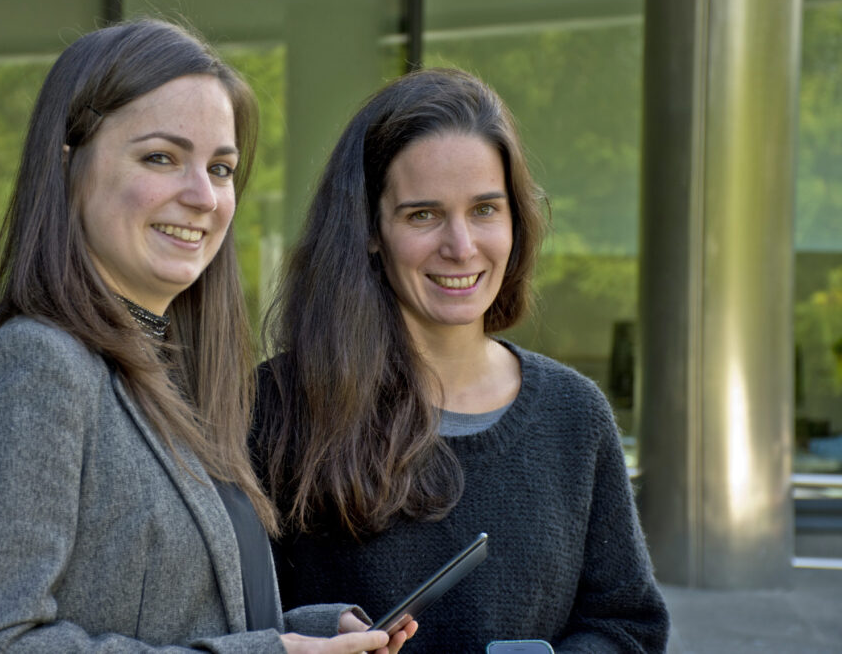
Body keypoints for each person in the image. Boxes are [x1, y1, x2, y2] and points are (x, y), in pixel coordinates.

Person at [0, 18, 415, 653]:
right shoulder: (32, 369)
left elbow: (178, 624)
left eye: (221, 168)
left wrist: (311, 634)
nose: (204, 196)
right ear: (69, 167)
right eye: (161, 158)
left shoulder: (172, 378)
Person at [253, 68, 670, 652]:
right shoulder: (276, 408)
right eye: (423, 215)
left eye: (484, 210)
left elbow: (628, 626)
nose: (461, 246)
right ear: (370, 230)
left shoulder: (574, 416)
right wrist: (322, 631)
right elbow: (226, 620)